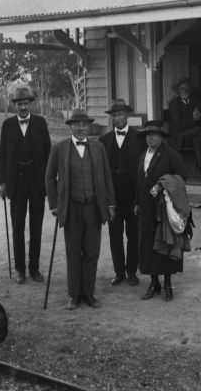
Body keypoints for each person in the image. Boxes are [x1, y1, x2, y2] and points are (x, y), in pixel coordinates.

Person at [45, 109, 116, 310]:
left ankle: (89, 294)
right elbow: (49, 178)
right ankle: (74, 295)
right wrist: (55, 205)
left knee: (92, 251)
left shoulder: (98, 147)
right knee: (74, 252)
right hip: (72, 208)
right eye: (77, 124)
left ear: (89, 126)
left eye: (84, 124)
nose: (81, 128)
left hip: (94, 207)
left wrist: (111, 204)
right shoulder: (60, 148)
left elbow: (107, 177)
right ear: (70, 126)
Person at [0, 87, 52, 284]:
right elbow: (3, 155)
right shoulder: (8, 125)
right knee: (17, 226)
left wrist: (49, 181)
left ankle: (34, 269)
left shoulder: (40, 123)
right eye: (19, 104)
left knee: (36, 226)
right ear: (15, 106)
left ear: (31, 104)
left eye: (26, 103)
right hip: (16, 182)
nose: (22, 107)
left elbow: (48, 153)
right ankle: (20, 269)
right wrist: (2, 182)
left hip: (37, 182)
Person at [135, 121, 186, 301]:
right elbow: (139, 183)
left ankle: (167, 283)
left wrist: (163, 185)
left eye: (154, 135)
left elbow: (181, 177)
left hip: (164, 208)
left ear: (161, 137)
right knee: (148, 245)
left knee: (165, 244)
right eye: (147, 135)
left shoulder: (170, 155)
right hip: (146, 208)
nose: (150, 138)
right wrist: (137, 203)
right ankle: (153, 282)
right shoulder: (142, 156)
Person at [99, 99, 146, 287]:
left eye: (120, 114)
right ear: (111, 118)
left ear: (127, 115)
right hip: (113, 196)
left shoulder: (139, 138)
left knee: (133, 235)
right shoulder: (104, 140)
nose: (117, 118)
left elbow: (144, 169)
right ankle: (119, 272)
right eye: (114, 115)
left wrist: (140, 198)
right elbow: (101, 171)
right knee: (115, 235)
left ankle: (132, 271)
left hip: (132, 193)